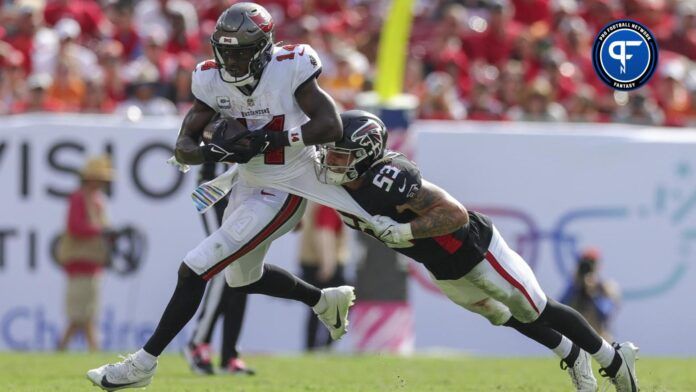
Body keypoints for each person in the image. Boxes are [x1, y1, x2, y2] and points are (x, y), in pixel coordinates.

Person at [87, 3, 373, 390]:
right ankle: (324, 301)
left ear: (263, 48)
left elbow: (329, 124)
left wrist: (272, 139)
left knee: (195, 266)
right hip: (247, 183)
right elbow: (184, 145)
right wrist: (214, 151)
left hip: (287, 184)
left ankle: (143, 363)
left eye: (241, 51)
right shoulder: (209, 79)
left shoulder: (292, 65)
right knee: (241, 278)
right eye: (227, 51)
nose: (233, 60)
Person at [314, 110, 640, 392]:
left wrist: (405, 230)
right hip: (440, 264)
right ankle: (572, 354)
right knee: (499, 314)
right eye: (331, 153)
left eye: (341, 155)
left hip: (474, 247)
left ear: (366, 153)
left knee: (534, 307)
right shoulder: (337, 188)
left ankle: (613, 359)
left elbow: (455, 215)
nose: (331, 162)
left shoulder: (390, 178)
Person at [183, 161, 254, 375]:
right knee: (222, 266)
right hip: (214, 190)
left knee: (245, 269)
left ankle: (229, 355)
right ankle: (198, 343)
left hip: (246, 193)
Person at [56, 156, 114, 352]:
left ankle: (85, 349)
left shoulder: (97, 200)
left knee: (87, 313)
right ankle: (86, 349)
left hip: (93, 263)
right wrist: (100, 231)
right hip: (79, 262)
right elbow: (75, 226)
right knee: (80, 313)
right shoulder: (79, 198)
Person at [297, 202, 349, 351]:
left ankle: (312, 347)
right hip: (325, 264)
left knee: (317, 308)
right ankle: (324, 346)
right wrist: (328, 265)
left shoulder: (314, 204)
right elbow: (324, 233)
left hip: (311, 262)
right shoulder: (328, 205)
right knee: (336, 307)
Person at [561, 248, 620, 342]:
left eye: (591, 263)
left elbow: (606, 313)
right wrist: (576, 287)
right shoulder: (574, 286)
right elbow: (560, 309)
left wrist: (593, 294)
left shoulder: (606, 287)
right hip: (575, 337)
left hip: (600, 338)